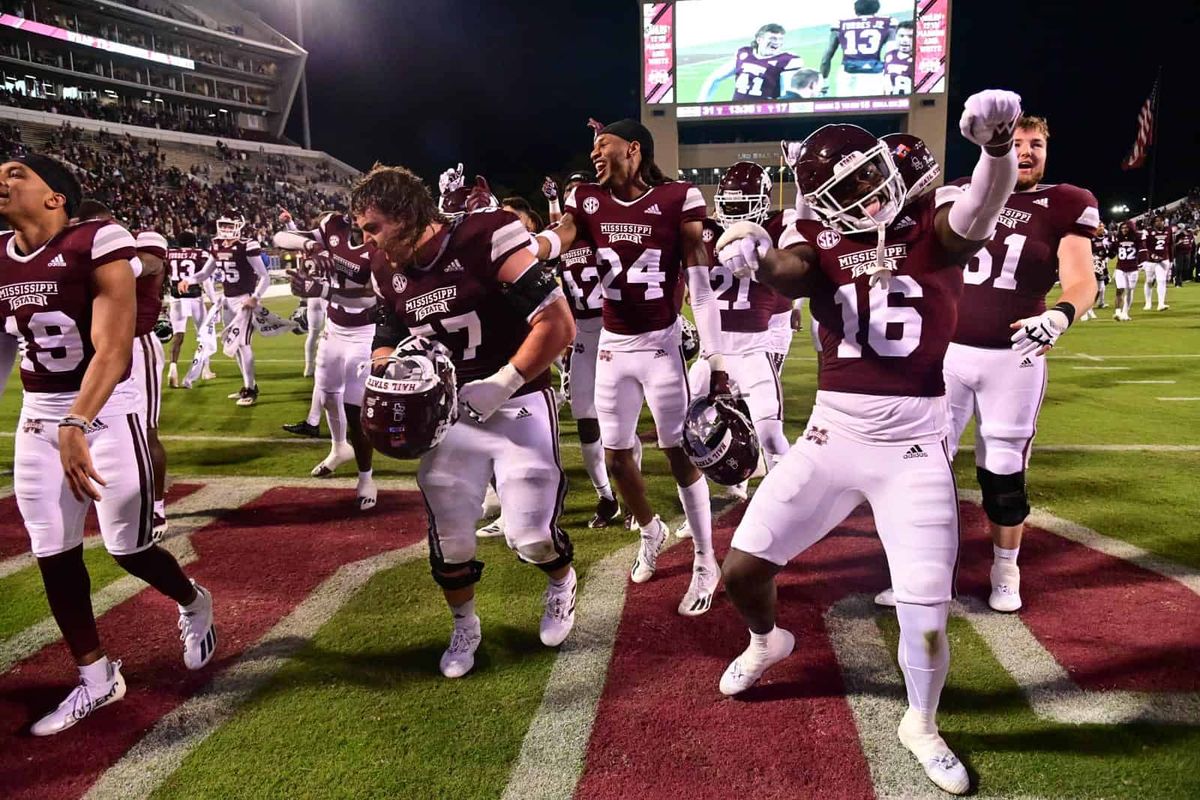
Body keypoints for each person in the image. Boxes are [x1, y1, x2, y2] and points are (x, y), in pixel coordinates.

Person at [713, 90, 1024, 795]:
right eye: (845, 183)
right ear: (821, 196)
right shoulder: (816, 234)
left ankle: (921, 722)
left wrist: (997, 151)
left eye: (867, 172)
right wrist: (757, 256)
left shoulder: (930, 224)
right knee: (741, 571)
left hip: (914, 446)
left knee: (925, 608)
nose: (865, 189)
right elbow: (790, 271)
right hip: (833, 436)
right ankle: (768, 640)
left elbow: (979, 209)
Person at [0, 154, 216, 736]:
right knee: (52, 549)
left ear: (56, 197)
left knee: (128, 547)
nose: (3, 178)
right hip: (40, 419)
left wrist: (76, 421)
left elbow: (113, 350)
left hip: (105, 413)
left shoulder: (98, 240)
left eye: (17, 171)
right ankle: (97, 678)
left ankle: (192, 599)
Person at [354, 164, 577, 678]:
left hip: (518, 401)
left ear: (407, 215)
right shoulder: (387, 270)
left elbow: (557, 323)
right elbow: (386, 333)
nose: (367, 240)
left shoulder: (486, 235)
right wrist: (392, 364)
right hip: (449, 413)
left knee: (530, 536)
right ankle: (465, 623)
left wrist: (503, 381)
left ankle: (561, 582)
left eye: (373, 226)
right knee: (451, 537)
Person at [875, 115, 1099, 613]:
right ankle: (924, 573)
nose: (1025, 151)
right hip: (947, 353)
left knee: (1002, 472)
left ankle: (1005, 570)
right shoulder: (959, 192)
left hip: (1013, 358)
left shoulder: (1066, 202)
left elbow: (1082, 278)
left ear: (1046, 150)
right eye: (1015, 142)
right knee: (925, 468)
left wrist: (1062, 315)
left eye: (1035, 143)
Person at [531, 119, 720, 616]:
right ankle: (652, 529)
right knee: (617, 458)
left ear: (632, 149)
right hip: (613, 344)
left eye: (603, 145)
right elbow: (564, 234)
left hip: (660, 343)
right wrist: (532, 247)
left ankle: (705, 557)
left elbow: (698, 277)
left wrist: (715, 353)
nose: (595, 154)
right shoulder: (588, 199)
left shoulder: (680, 196)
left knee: (679, 453)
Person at [274, 212, 380, 510]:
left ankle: (366, 477)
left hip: (364, 333)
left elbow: (368, 298)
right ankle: (338, 448)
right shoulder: (334, 228)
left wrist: (321, 289)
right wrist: (307, 247)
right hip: (334, 331)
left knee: (355, 407)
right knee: (328, 395)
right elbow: (279, 239)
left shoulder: (381, 244)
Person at [535, 172, 622, 529]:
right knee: (586, 418)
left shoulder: (610, 234)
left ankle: (630, 492)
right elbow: (551, 237)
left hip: (618, 335)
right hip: (585, 336)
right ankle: (606, 496)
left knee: (620, 422)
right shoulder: (565, 242)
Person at [178, 215, 270, 404]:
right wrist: (190, 280)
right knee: (234, 346)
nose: (227, 228)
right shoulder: (217, 245)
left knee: (243, 345)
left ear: (239, 226)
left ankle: (251, 390)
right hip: (227, 301)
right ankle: (248, 385)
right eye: (224, 224)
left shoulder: (248, 245)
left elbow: (264, 276)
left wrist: (255, 297)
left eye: (230, 225)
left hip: (244, 300)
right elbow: (205, 273)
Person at [699, 23, 808, 103]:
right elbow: (715, 78)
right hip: (736, 112)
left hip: (764, 114)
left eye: (780, 39)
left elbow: (786, 94)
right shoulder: (744, 54)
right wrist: (702, 104)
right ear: (759, 39)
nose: (777, 43)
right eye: (773, 38)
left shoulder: (787, 60)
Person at [164, 231, 217, 387]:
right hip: (194, 298)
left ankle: (173, 367)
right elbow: (205, 280)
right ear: (194, 242)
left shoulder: (170, 254)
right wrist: (213, 300)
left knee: (178, 335)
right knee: (204, 335)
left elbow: (166, 277)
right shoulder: (200, 253)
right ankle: (205, 370)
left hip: (176, 298)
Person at [821, 1, 895, 98]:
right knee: (873, 109)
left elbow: (826, 57)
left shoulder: (841, 23)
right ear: (877, 8)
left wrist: (824, 80)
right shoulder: (888, 23)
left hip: (847, 74)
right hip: (874, 74)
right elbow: (891, 55)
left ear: (855, 9)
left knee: (845, 109)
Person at [1111, 220, 1145, 320]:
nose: (1124, 229)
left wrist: (1143, 263)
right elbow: (1112, 251)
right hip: (1120, 267)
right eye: (1122, 228)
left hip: (1133, 268)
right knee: (1120, 289)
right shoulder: (1118, 238)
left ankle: (1125, 313)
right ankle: (1117, 312)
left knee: (1130, 291)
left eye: (1126, 228)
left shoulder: (1137, 237)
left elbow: (1142, 250)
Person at [1141, 214, 1173, 310]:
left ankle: (1161, 304)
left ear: (1164, 221)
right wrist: (1151, 255)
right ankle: (1148, 303)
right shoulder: (1148, 231)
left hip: (1163, 259)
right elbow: (1144, 245)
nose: (1159, 222)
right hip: (1151, 261)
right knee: (1149, 281)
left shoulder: (1169, 230)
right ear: (1153, 222)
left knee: (1161, 280)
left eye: (1160, 220)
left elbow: (1171, 245)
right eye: (1156, 221)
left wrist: (1171, 259)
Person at [882, 19, 915, 95]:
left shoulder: (920, 59)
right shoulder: (889, 55)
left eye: (910, 36)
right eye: (901, 36)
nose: (905, 40)